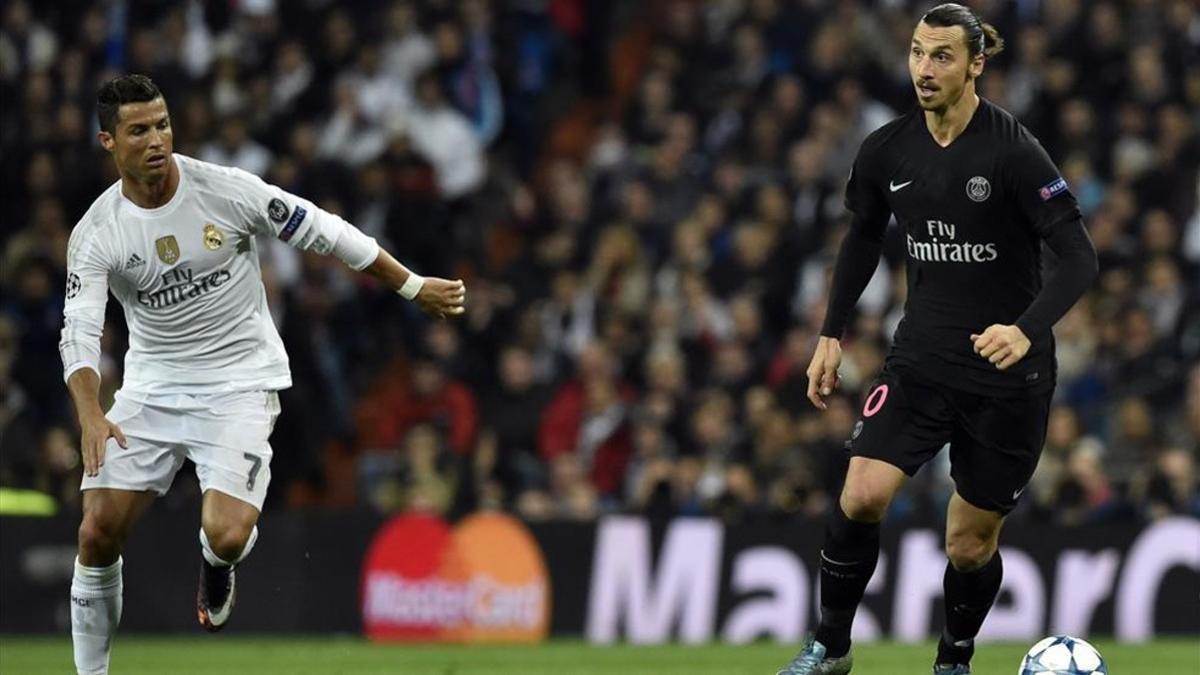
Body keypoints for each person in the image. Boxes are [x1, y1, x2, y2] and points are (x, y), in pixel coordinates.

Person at [60, 74, 465, 675]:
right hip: (153, 386)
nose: (157, 139)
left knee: (224, 533)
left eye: (163, 124)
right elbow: (81, 332)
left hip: (239, 382)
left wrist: (411, 285)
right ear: (107, 142)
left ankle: (218, 567)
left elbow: (326, 231)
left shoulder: (225, 191)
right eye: (139, 130)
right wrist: (91, 413)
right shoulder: (98, 233)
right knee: (96, 532)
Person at [776, 5, 1097, 675]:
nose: (925, 68)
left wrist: (1025, 329)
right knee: (860, 491)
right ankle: (830, 646)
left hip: (1008, 376)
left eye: (942, 55)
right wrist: (830, 332)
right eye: (918, 53)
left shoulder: (1011, 151)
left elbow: (1079, 257)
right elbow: (864, 234)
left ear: (976, 64)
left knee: (969, 544)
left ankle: (954, 659)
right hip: (921, 358)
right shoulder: (887, 150)